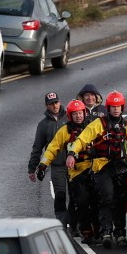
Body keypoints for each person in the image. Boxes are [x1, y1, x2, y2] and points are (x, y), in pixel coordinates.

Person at [66, 90, 127, 248]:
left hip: (120, 167)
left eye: (118, 106)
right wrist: (72, 153)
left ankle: (120, 233)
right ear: (108, 107)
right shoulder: (99, 124)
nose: (116, 109)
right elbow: (83, 138)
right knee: (106, 197)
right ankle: (106, 231)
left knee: (120, 201)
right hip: (102, 166)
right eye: (113, 106)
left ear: (122, 107)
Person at [36, 100, 98, 242]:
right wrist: (42, 166)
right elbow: (52, 148)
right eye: (75, 114)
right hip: (75, 172)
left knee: (95, 200)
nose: (78, 116)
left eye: (80, 113)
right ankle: (83, 229)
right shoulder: (65, 131)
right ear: (70, 115)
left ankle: (97, 229)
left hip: (93, 169)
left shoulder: (92, 127)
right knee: (79, 200)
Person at [28, 92, 69, 228]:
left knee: (76, 196)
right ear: (47, 106)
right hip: (57, 166)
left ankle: (76, 225)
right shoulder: (43, 125)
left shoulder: (70, 117)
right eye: (51, 104)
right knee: (60, 195)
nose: (55, 106)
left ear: (60, 102)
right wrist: (32, 168)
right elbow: (37, 147)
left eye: (56, 102)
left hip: (75, 165)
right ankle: (62, 224)